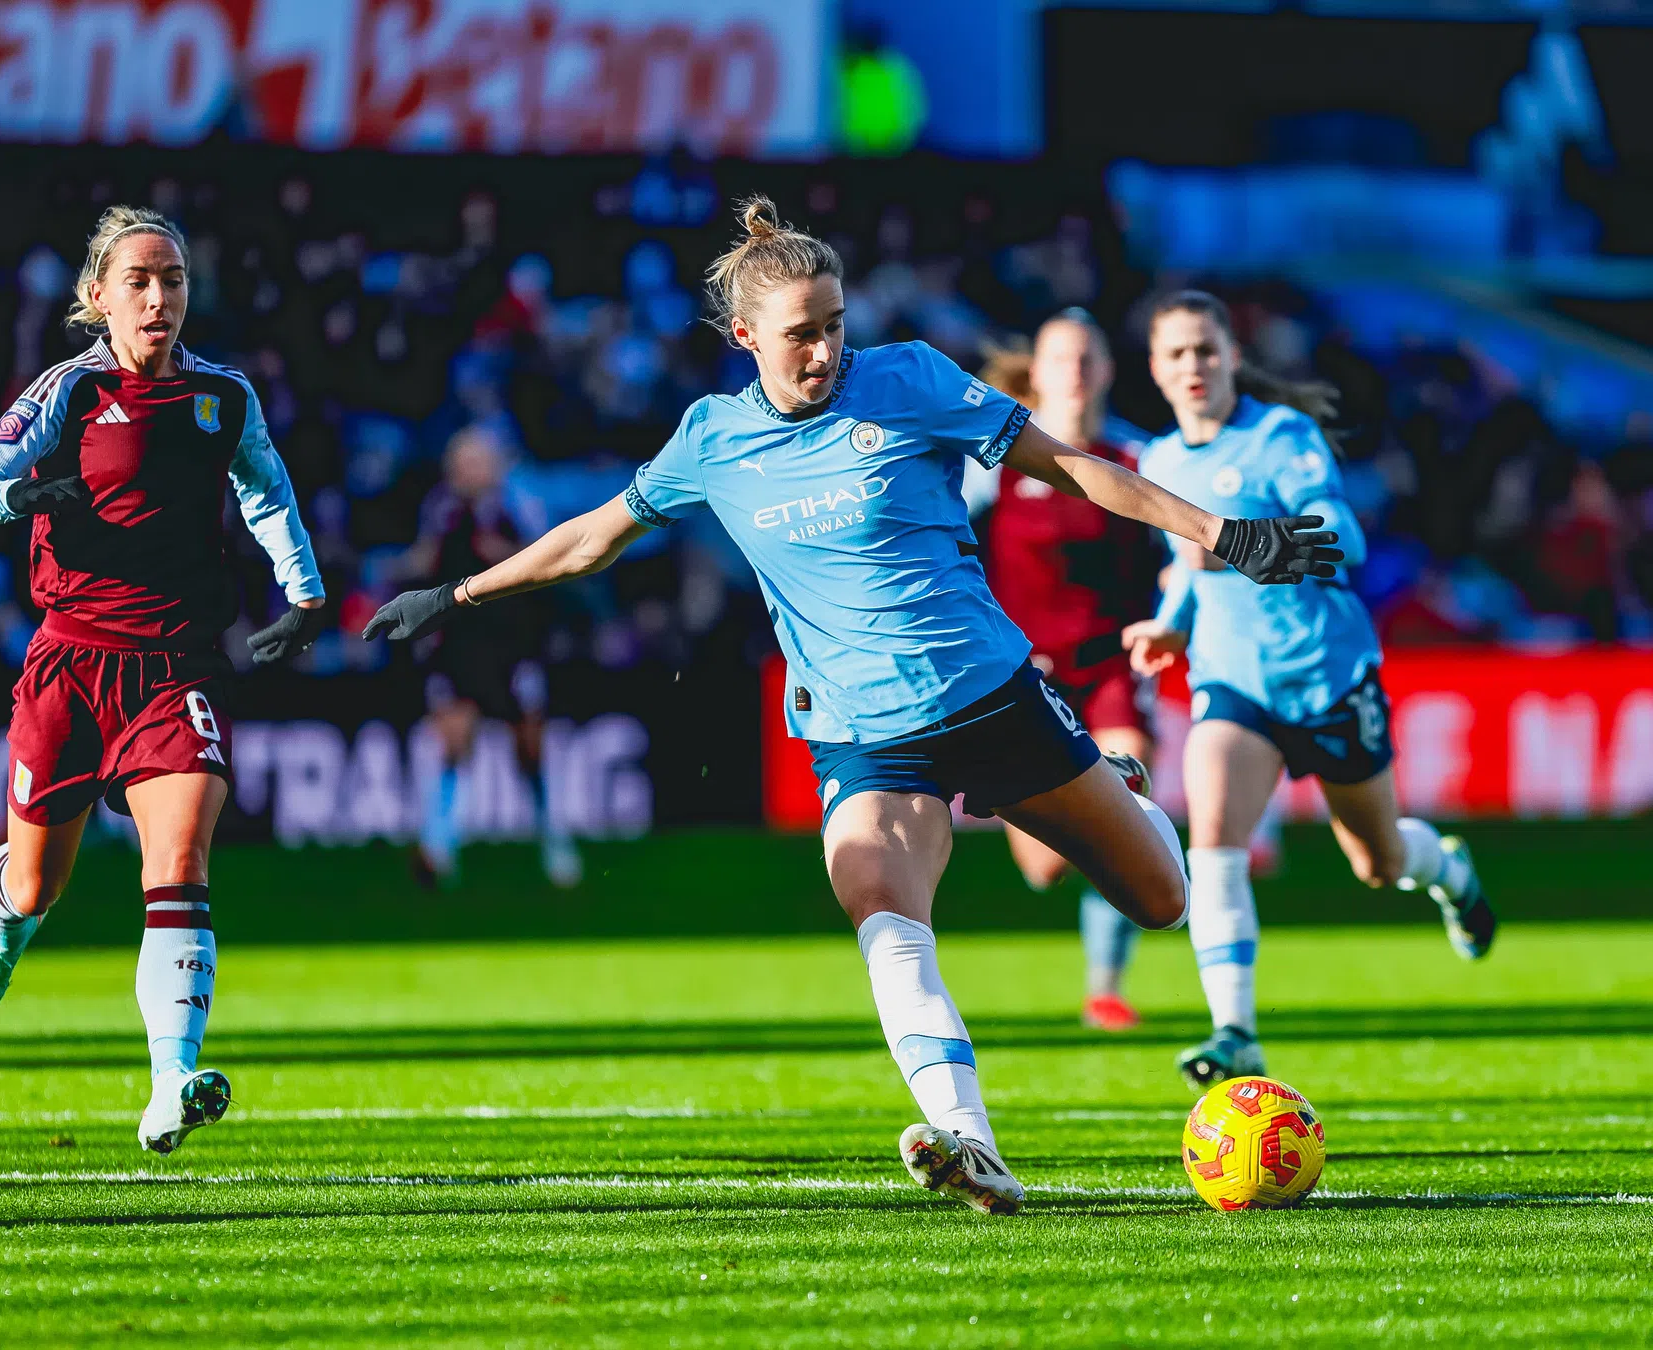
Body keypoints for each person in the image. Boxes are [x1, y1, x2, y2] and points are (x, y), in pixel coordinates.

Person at [364, 200, 1338, 1215]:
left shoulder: (910, 378)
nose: (825, 351)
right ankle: (971, 1142)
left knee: (1162, 900)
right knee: (878, 899)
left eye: (834, 325)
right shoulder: (711, 439)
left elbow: (1071, 466)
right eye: (801, 334)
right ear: (745, 337)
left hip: (991, 699)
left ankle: (1116, 787)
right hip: (862, 737)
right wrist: (457, 595)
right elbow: (590, 538)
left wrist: (1221, 534)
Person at [0, 206, 326, 1154]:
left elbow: (266, 490)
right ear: (99, 297)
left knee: (181, 860)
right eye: (140, 281)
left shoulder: (223, 396)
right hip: (71, 663)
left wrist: (305, 594)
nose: (160, 299)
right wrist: (19, 494)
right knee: (41, 883)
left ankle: (170, 1080)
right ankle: (7, 920)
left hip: (177, 665)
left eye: (174, 280)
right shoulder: (67, 391)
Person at [1123, 289, 1497, 1094]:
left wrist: (1240, 545)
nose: (1193, 365)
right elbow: (1189, 572)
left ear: (1232, 356)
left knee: (1378, 861)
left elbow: (1344, 537)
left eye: (1206, 349)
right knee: (1213, 839)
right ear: (1155, 368)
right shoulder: (1158, 461)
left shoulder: (1280, 437)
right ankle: (1236, 1034)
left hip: (1326, 672)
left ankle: (1449, 870)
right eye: (1176, 353)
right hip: (1233, 680)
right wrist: (1170, 624)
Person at [975, 311, 1164, 1032]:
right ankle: (1085, 803)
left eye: (1088, 358)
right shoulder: (992, 465)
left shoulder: (1137, 459)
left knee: (1128, 808)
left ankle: (1105, 988)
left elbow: (1180, 553)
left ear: (1107, 370)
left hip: (1111, 667)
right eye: (1062, 358)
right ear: (1038, 372)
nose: (1076, 371)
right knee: (1046, 867)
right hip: (1026, 679)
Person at [392, 426, 580, 889]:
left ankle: (553, 840)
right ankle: (438, 846)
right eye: (460, 464)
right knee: (455, 740)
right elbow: (427, 560)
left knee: (528, 748)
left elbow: (549, 556)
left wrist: (504, 556)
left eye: (474, 463)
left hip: (512, 640)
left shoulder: (518, 504)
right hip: (460, 641)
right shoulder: (441, 508)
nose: (465, 472)